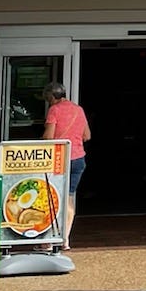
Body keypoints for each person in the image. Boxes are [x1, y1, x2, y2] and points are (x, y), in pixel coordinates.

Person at [42, 83, 90, 250]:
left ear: (51, 97)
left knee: (52, 197)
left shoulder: (54, 110)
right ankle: (65, 240)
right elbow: (87, 135)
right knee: (68, 197)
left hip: (59, 158)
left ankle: (49, 240)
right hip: (78, 159)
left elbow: (49, 137)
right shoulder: (78, 109)